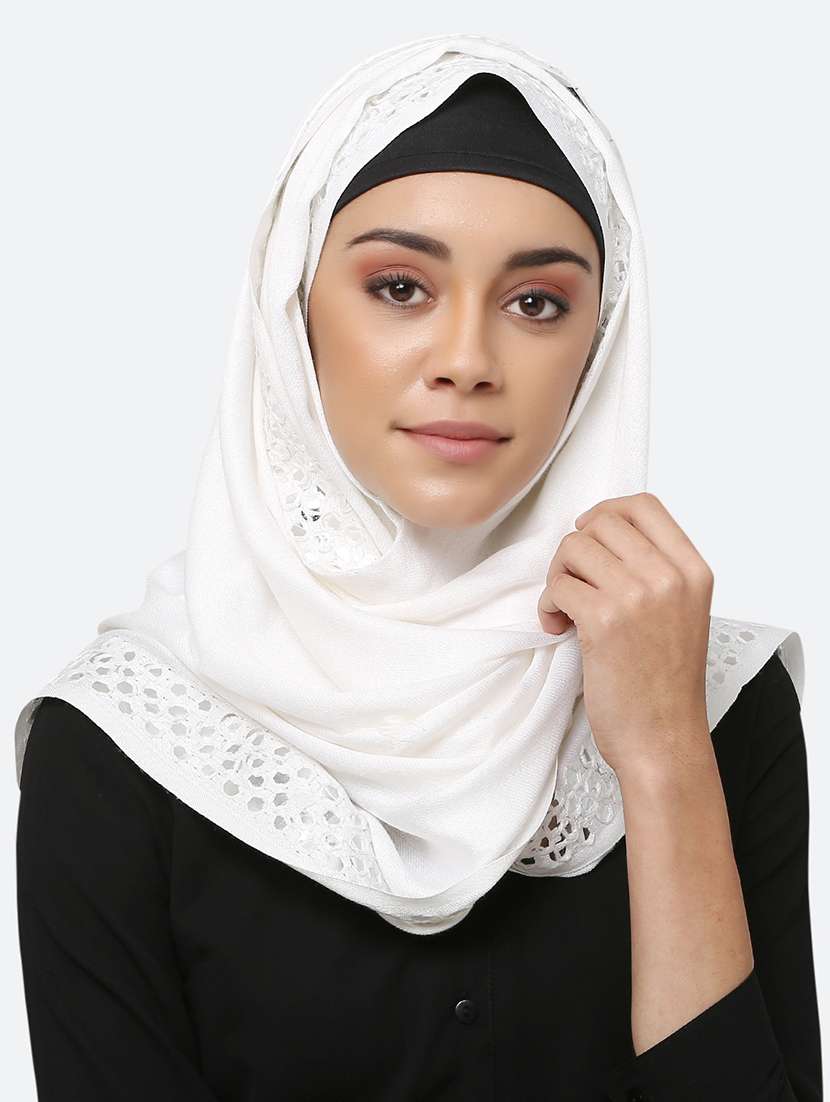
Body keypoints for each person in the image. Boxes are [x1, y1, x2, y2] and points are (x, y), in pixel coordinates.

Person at [14, 31, 821, 1101]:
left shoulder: (713, 702)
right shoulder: (127, 742)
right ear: (292, 311)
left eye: (536, 302)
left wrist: (665, 757)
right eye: (399, 287)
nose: (467, 361)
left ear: (600, 343)